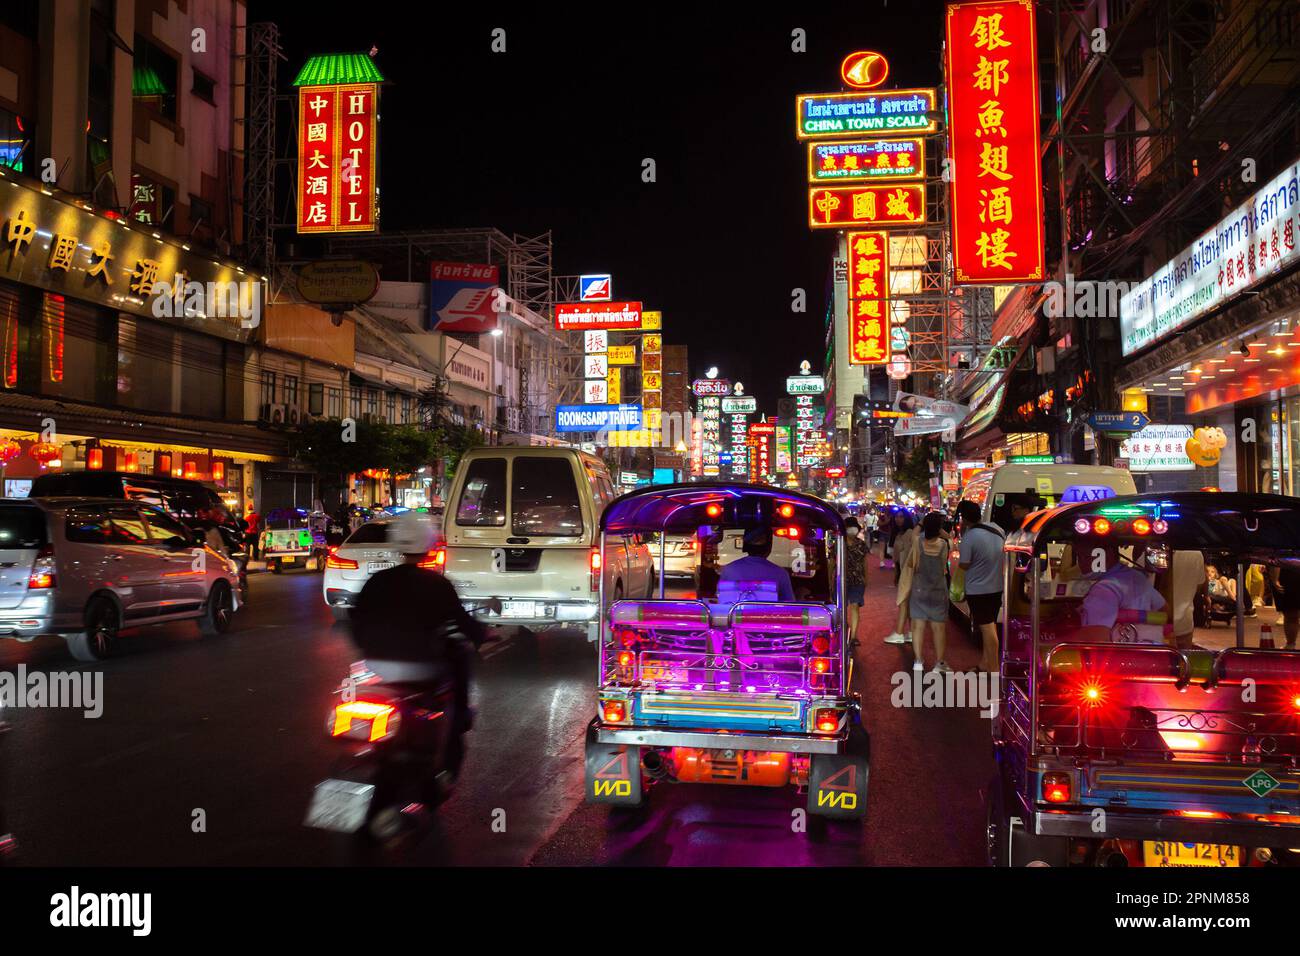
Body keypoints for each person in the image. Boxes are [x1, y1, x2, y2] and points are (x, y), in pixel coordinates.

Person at [351, 511, 486, 776]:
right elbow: (464, 625)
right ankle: (453, 735)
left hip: (375, 668)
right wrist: (480, 635)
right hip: (422, 670)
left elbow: (356, 623)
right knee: (458, 665)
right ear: (428, 545)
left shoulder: (377, 582)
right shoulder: (436, 584)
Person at [1076, 545, 1166, 641]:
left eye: (1086, 557)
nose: (1082, 564)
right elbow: (1164, 609)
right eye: (1079, 558)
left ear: (1109, 554)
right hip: (1148, 649)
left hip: (1116, 652)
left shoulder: (1104, 588)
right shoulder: (1137, 577)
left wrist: (1058, 642)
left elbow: (1096, 638)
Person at [957, 500, 1005, 674]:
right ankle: (985, 663)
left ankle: (993, 669)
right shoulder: (996, 528)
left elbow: (964, 564)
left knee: (987, 628)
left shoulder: (969, 537)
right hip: (996, 586)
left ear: (964, 518)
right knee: (989, 624)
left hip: (978, 589)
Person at [908, 511, 952, 673]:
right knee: (938, 628)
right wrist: (941, 531)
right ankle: (939, 663)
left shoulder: (918, 542)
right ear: (939, 528)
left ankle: (918, 661)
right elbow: (951, 540)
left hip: (919, 589)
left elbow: (914, 533)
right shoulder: (944, 544)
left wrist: (921, 524)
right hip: (938, 590)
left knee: (917, 626)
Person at [718, 527, 795, 602]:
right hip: (767, 615)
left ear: (745, 546)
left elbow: (721, 600)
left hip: (734, 614)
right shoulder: (781, 574)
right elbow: (790, 606)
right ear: (769, 546)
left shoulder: (729, 570)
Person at [884, 511, 917, 644]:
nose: (898, 519)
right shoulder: (899, 534)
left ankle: (899, 633)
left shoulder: (910, 533)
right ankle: (911, 632)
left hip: (909, 571)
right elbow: (896, 558)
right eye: (896, 517)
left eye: (901, 517)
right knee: (907, 603)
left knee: (903, 601)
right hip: (902, 570)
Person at [843, 517, 869, 637]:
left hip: (858, 580)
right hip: (841, 580)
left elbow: (865, 562)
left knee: (855, 606)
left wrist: (866, 578)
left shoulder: (861, 544)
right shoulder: (839, 543)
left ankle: (853, 636)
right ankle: (842, 632)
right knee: (841, 608)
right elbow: (832, 562)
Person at [1270, 565, 1300, 649]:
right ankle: (1290, 645)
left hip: (1288, 572)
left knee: (1291, 614)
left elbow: (1278, 557)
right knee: (1292, 614)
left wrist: (1275, 578)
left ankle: (1290, 645)